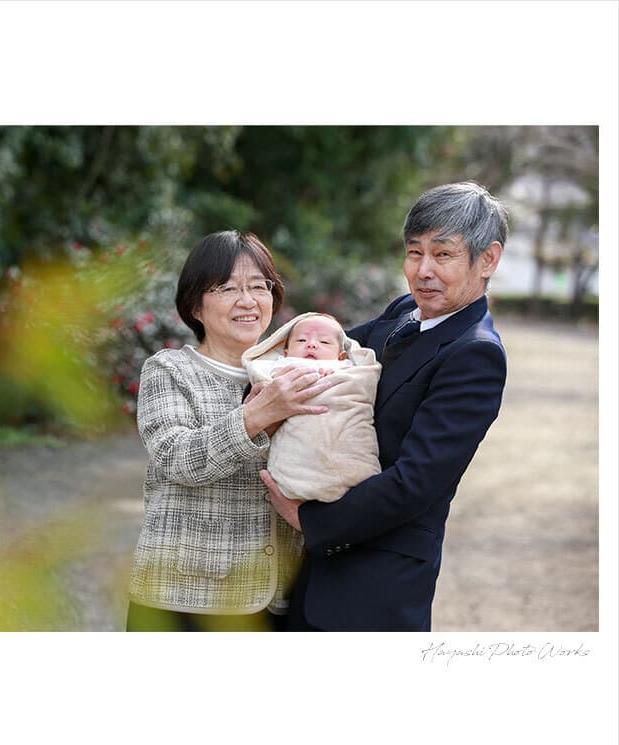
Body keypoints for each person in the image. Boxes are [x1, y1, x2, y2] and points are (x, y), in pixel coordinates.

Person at [261, 181, 509, 631]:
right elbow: (323, 353)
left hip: (375, 587)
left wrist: (311, 520)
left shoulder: (476, 354)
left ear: (487, 259)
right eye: (415, 253)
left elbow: (416, 481)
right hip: (309, 572)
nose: (423, 271)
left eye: (443, 254)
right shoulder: (402, 312)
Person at [126, 230, 331, 631]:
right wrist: (256, 416)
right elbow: (177, 459)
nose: (248, 300)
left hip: (277, 599)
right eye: (226, 288)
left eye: (259, 286)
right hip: (182, 599)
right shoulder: (169, 370)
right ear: (195, 306)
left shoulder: (295, 372)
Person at [242, 312, 381, 503]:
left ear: (341, 356)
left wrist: (330, 374)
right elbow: (269, 387)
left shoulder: (349, 369)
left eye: (324, 342)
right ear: (286, 352)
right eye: (301, 340)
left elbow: (361, 385)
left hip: (341, 423)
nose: (311, 344)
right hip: (301, 446)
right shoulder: (279, 367)